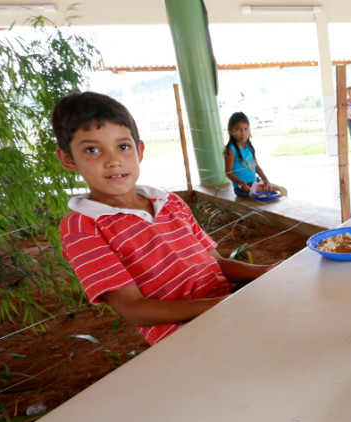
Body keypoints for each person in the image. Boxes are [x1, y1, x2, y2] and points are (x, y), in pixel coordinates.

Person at [53, 92, 276, 346]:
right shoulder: (83, 227)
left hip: (229, 309)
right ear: (68, 159)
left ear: (139, 150)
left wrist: (268, 272)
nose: (113, 161)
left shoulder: (169, 203)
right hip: (187, 340)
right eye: (92, 149)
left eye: (123, 147)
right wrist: (223, 305)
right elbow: (134, 309)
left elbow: (218, 265)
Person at [224, 112, 287, 199]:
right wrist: (241, 183)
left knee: (284, 190)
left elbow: (256, 166)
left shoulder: (249, 146)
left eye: (246, 129)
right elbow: (228, 173)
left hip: (255, 183)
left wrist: (265, 180)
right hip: (243, 188)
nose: (243, 133)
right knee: (279, 191)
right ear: (231, 130)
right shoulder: (230, 150)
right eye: (239, 129)